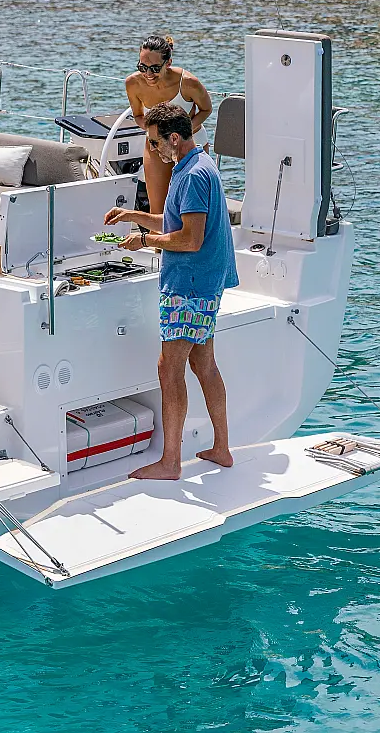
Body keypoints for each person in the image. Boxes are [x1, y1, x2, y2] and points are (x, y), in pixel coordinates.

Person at [104, 103, 238, 480]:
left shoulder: (193, 175)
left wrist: (144, 241)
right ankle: (221, 448)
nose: (152, 149)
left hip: (189, 285)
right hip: (204, 282)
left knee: (169, 367)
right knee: (203, 364)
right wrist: (134, 216)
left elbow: (190, 239)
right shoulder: (196, 165)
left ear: (174, 138)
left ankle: (170, 462)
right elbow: (176, 221)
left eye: (154, 142)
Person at [125, 34, 212, 218]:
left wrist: (182, 131)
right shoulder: (133, 83)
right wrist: (157, 136)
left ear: (168, 63)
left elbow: (206, 109)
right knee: (158, 211)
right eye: (143, 67)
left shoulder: (188, 82)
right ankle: (159, 239)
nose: (148, 74)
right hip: (157, 146)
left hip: (190, 143)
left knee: (192, 209)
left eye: (155, 68)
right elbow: (139, 115)